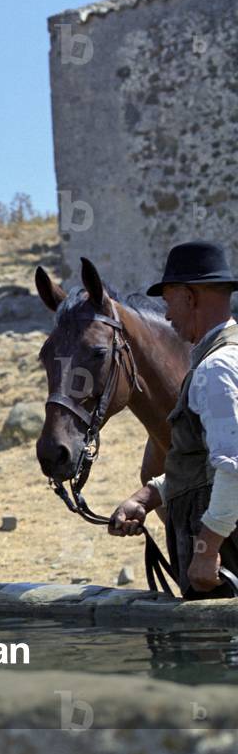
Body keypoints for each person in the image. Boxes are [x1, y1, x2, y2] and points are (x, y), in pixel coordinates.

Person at [109, 241, 238, 598]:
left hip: (225, 561)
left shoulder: (216, 369)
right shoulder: (225, 361)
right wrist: (150, 495)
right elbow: (210, 464)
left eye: (168, 303)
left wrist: (207, 548)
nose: (167, 316)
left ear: (189, 297)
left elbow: (233, 467)